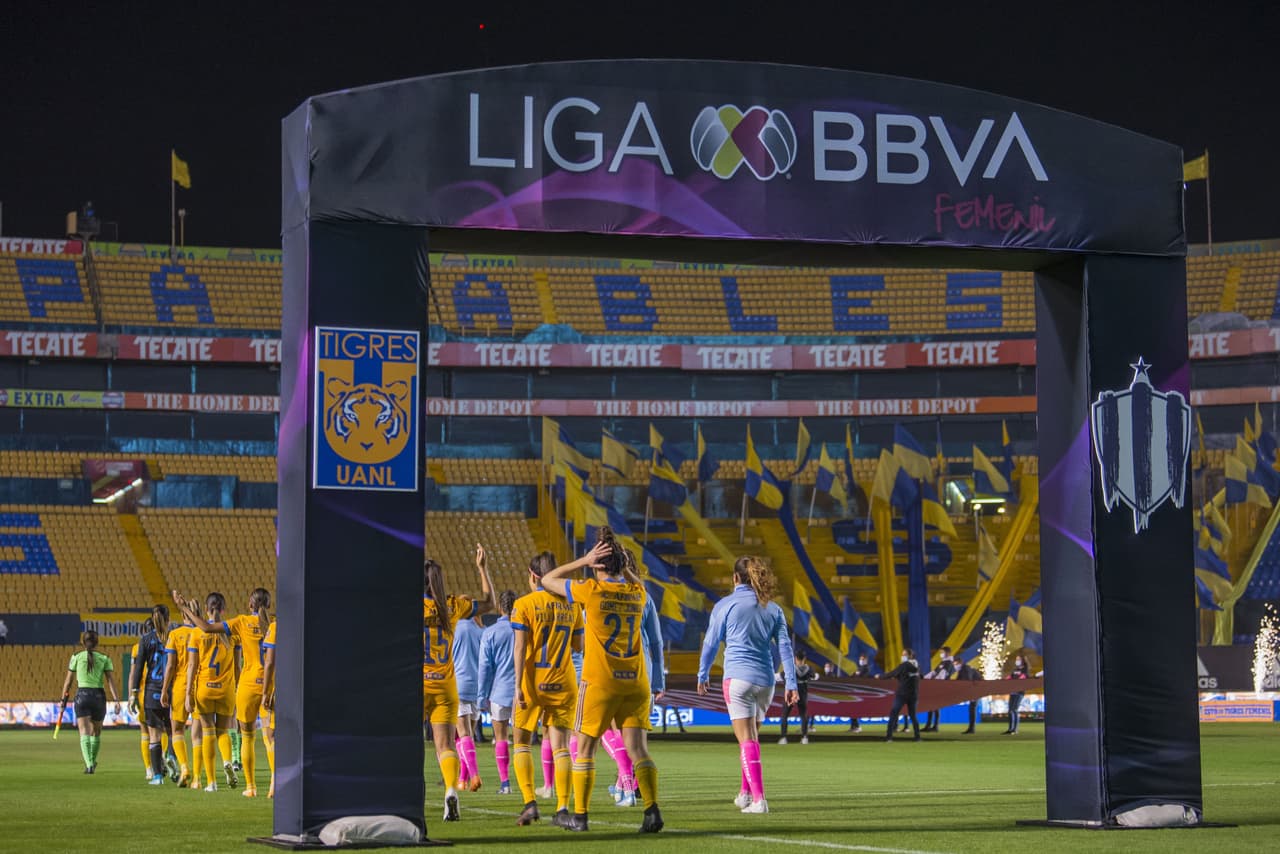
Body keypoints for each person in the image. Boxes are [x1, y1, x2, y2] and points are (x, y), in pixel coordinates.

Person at [541, 530, 664, 833]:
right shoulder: (639, 594)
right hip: (635, 682)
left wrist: (583, 560)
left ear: (597, 565)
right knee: (639, 750)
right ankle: (652, 811)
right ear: (622, 566)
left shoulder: (591, 589)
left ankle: (579, 816)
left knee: (584, 750)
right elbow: (640, 585)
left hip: (600, 682)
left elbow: (547, 580)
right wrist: (623, 566)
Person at [697, 555, 798, 815]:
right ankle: (744, 793)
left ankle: (759, 799)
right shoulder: (773, 608)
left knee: (746, 741)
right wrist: (792, 682)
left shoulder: (725, 605)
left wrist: (702, 674)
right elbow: (785, 647)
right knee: (750, 739)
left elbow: (710, 644)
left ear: (735, 578)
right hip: (766, 682)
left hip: (738, 679)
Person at [509, 549, 586, 828]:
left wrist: (517, 685)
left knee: (520, 742)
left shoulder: (524, 604)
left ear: (533, 576)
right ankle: (563, 807)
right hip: (563, 683)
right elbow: (579, 647)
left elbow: (519, 647)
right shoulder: (573, 604)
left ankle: (530, 803)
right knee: (562, 748)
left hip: (532, 683)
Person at [174, 588, 271, 797]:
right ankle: (270, 782)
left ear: (250, 604)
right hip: (257, 688)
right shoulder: (274, 625)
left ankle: (223, 783)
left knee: (222, 734)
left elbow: (206, 630)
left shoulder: (240, 623)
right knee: (266, 738)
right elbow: (240, 665)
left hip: (220, 689)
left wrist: (183, 608)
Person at [423, 546, 495, 822]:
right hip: (445, 686)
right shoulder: (452, 605)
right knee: (445, 747)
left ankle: (410, 793)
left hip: (418, 684)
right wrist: (482, 568)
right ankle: (451, 791)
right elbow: (489, 603)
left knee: (407, 742)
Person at [177, 592, 239, 791]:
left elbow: (192, 666)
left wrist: (188, 695)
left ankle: (211, 782)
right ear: (223, 609)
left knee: (207, 732)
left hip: (204, 689)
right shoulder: (232, 633)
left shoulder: (196, 634)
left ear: (206, 609)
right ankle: (228, 761)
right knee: (223, 732)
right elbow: (237, 667)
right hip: (226, 690)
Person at [61, 629, 121, 773]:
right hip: (98, 697)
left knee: (84, 732)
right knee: (96, 733)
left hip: (82, 695)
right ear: (97, 642)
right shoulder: (105, 658)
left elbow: (68, 682)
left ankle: (89, 765)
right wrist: (117, 700)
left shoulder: (76, 657)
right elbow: (111, 681)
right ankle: (92, 761)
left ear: (83, 642)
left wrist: (63, 700)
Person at [478, 590, 517, 795]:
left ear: (500, 608)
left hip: (499, 692)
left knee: (501, 738)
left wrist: (481, 695)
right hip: (522, 693)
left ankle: (505, 783)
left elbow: (485, 667)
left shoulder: (490, 632)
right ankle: (526, 783)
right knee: (522, 741)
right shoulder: (524, 630)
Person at [129, 604, 174, 785]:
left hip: (151, 692)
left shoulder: (145, 639)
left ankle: (157, 776)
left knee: (154, 736)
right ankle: (173, 760)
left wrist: (133, 693)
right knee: (173, 732)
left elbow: (138, 669)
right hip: (171, 691)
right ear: (168, 619)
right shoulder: (174, 637)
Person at [162, 606, 199, 787]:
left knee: (177, 730)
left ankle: (184, 768)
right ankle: (198, 778)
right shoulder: (203, 632)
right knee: (199, 732)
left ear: (184, 615)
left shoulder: (175, 635)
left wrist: (164, 690)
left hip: (180, 686)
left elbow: (170, 666)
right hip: (200, 685)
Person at [453, 608, 485, 793]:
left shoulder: (456, 628)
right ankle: (462, 780)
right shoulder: (481, 630)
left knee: (462, 735)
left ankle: (474, 775)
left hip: (459, 684)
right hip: (477, 687)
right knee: (467, 737)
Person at [778, 645, 818, 745]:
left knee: (784, 715)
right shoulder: (809, 669)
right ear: (804, 658)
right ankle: (804, 737)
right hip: (803, 695)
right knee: (803, 716)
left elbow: (779, 677)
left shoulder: (790, 669)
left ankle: (783, 738)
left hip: (791, 694)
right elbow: (816, 676)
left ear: (795, 658)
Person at [882, 647, 921, 741]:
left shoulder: (904, 665)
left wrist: (880, 676)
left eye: (904, 654)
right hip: (914, 694)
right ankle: (917, 737)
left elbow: (892, 674)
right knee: (913, 716)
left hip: (902, 694)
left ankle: (889, 737)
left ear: (910, 656)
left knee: (893, 714)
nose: (902, 656)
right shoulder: (918, 667)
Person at [260, 617, 278, 797]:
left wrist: (266, 692)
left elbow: (270, 662)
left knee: (272, 735)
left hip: (283, 687)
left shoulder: (276, 627)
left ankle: (275, 779)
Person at [922, 646, 955, 732]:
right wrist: (925, 678)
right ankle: (929, 725)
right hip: (935, 685)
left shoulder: (949, 663)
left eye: (942, 652)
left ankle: (935, 726)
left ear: (947, 653)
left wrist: (935, 681)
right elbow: (934, 672)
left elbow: (942, 675)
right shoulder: (943, 662)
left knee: (935, 706)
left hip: (940, 686)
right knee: (931, 705)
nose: (941, 654)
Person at [849, 652, 880, 733]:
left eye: (862, 659)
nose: (861, 661)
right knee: (851, 710)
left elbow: (862, 677)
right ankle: (853, 726)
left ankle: (857, 727)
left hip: (859, 691)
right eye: (860, 659)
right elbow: (852, 676)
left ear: (866, 660)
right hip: (855, 690)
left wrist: (856, 675)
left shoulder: (865, 668)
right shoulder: (859, 668)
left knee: (853, 710)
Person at [952, 656, 980, 734]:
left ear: (960, 663)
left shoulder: (966, 668)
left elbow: (968, 680)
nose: (955, 666)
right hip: (974, 689)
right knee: (971, 709)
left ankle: (972, 728)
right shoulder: (962, 669)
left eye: (955, 664)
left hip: (975, 690)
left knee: (972, 709)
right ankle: (971, 728)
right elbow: (958, 681)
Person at [1005, 653, 1030, 734]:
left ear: (1022, 661)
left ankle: (1015, 729)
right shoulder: (1015, 669)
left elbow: (1023, 677)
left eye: (1018, 659)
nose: (1017, 661)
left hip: (1019, 692)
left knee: (1014, 709)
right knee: (1010, 710)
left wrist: (1018, 680)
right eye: (1016, 659)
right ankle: (1010, 729)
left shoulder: (1025, 670)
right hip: (1013, 691)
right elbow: (1010, 677)